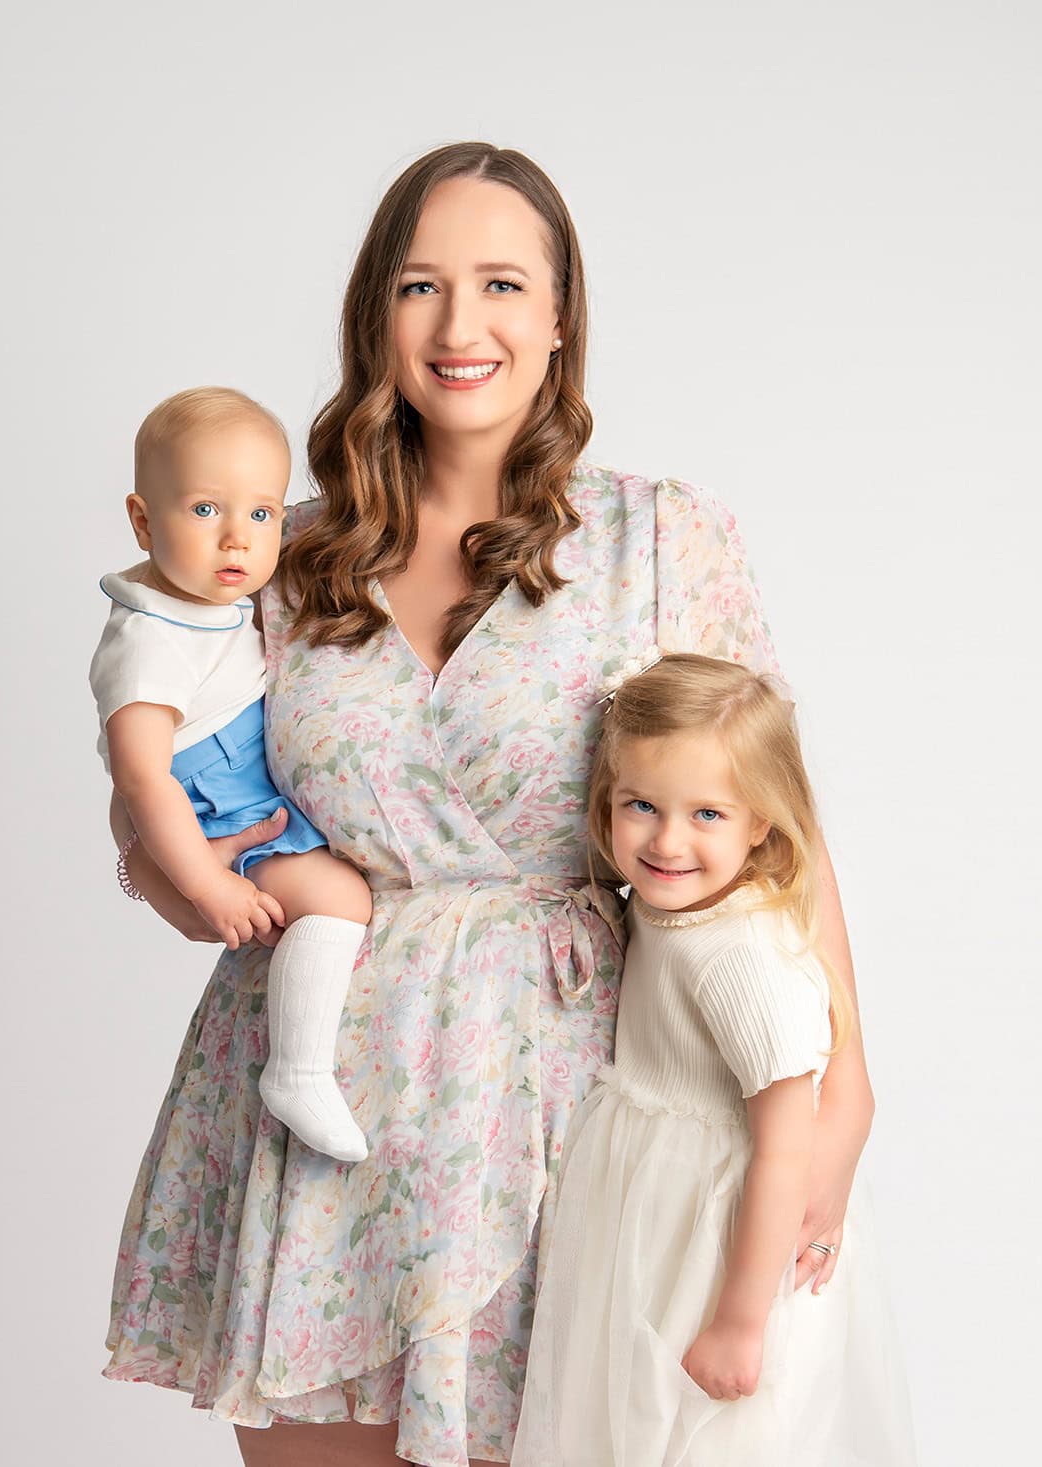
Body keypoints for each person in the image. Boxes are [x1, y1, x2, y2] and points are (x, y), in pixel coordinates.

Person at [102, 142, 876, 1467]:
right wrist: (167, 862)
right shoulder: (273, 556)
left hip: (570, 1114)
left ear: (561, 315)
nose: (462, 326)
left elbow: (772, 837)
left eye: (503, 283)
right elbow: (170, 784)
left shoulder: (658, 539)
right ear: (375, 315)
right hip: (318, 1110)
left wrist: (839, 1083)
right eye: (420, 286)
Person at [512, 655, 914, 1465]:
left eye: (707, 814)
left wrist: (740, 1318)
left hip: (728, 1241)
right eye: (642, 806)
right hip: (657, 1211)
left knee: (711, 1436)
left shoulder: (741, 955)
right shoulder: (669, 909)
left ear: (761, 821)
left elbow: (786, 1145)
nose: (667, 840)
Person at [91, 386, 374, 1162]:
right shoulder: (149, 637)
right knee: (339, 896)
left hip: (239, 773)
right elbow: (142, 779)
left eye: (262, 515)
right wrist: (205, 884)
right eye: (207, 510)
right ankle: (299, 1069)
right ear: (143, 521)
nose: (237, 542)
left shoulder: (211, 604)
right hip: (217, 797)